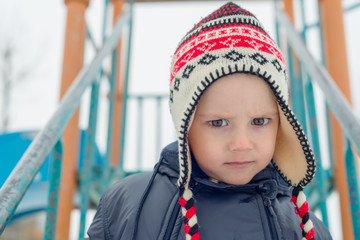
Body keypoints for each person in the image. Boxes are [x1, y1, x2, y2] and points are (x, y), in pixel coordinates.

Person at [87, 2, 332, 239]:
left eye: (259, 121)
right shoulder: (131, 204)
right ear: (186, 125)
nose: (242, 143)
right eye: (218, 123)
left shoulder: (304, 226)